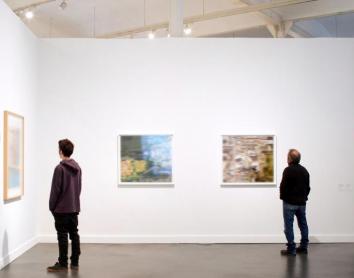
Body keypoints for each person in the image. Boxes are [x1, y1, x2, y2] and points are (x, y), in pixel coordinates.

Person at [47, 139, 82, 272]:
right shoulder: (78, 168)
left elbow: (55, 190)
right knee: (74, 234)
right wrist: (75, 203)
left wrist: (52, 207)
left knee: (62, 235)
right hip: (73, 208)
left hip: (61, 209)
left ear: (61, 151)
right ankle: (75, 262)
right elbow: (79, 189)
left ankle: (62, 263)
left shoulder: (59, 168)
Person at [280, 149, 310, 256]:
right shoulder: (305, 171)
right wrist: (304, 197)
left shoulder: (288, 170)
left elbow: (283, 187)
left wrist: (283, 197)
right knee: (303, 224)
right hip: (302, 203)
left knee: (289, 226)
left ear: (290, 159)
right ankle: (303, 247)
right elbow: (308, 187)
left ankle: (291, 249)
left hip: (289, 203)